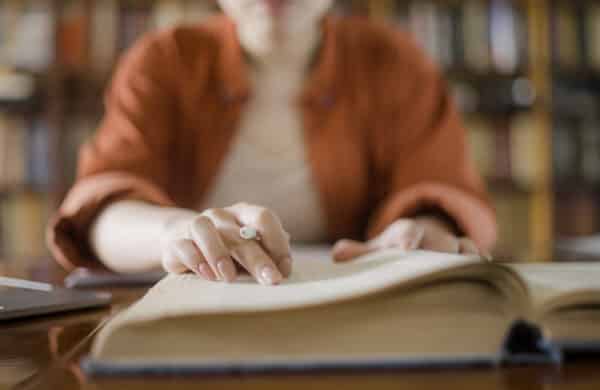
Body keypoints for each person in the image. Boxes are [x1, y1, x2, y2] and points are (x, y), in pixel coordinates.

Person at [47, 0, 497, 286]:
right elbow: (99, 212)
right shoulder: (163, 61)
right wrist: (175, 232)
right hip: (195, 311)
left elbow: (442, 187)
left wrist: (422, 229)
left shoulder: (397, 63)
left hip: (353, 317)